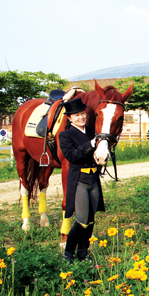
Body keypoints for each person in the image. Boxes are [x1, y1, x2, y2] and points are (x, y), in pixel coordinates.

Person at [59, 97, 103, 263]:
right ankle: (68, 253)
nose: (81, 117)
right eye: (76, 115)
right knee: (82, 220)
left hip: (93, 179)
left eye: (83, 113)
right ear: (69, 118)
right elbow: (72, 156)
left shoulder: (93, 131)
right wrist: (91, 144)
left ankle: (83, 253)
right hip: (80, 181)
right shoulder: (66, 135)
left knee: (91, 220)